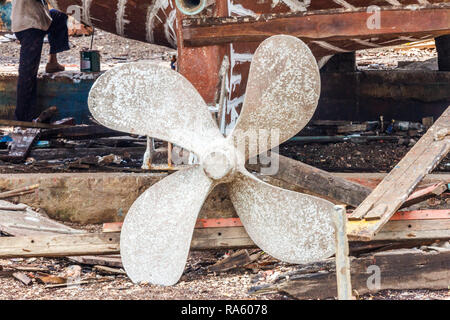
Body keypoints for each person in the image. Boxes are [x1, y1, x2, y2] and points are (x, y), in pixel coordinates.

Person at [11, 0, 70, 122]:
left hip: (38, 19)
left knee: (59, 15)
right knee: (27, 74)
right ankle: (22, 119)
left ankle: (52, 62)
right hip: (28, 25)